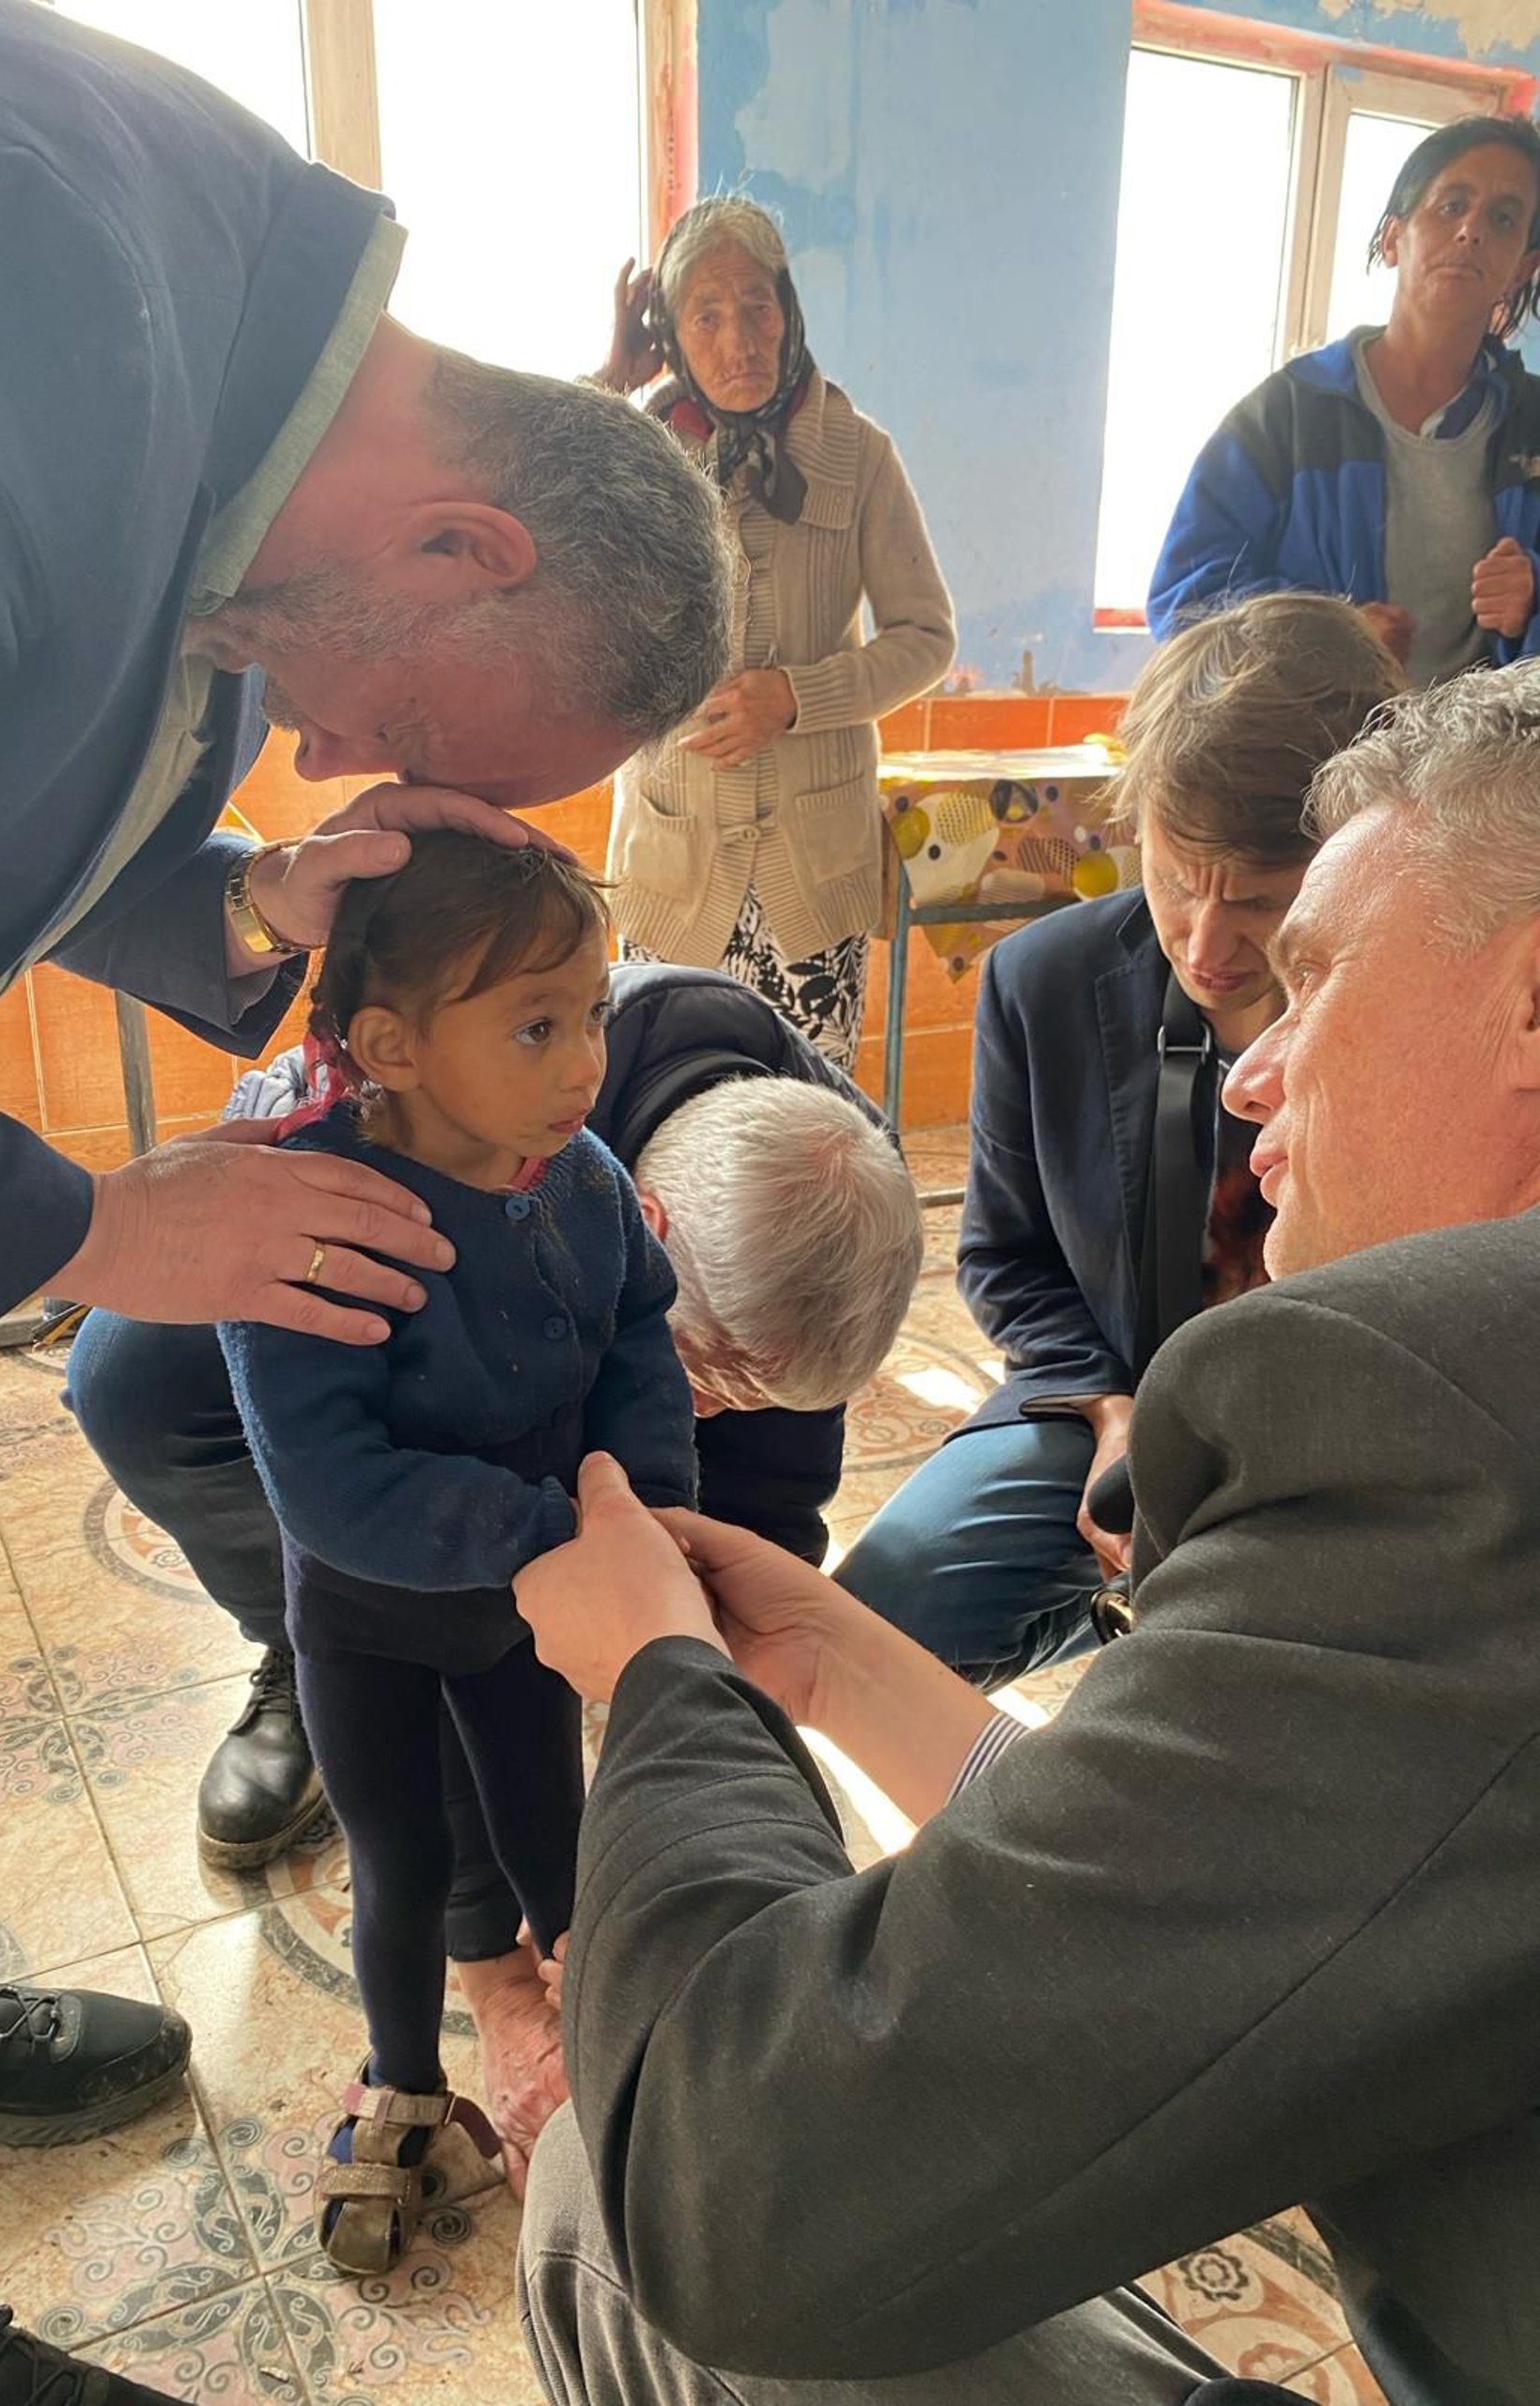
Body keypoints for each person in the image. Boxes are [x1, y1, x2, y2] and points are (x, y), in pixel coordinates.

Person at [0, 3, 731, 2399]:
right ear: (464, 542)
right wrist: (91, 1221)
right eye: (436, 756)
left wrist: (249, 896)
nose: (373, 775)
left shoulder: (245, 426)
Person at [511, 653, 1540, 2402]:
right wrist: (828, 1662)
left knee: (609, 2212)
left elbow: (745, 2189)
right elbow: (1296, 1867)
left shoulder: (1441, 1431)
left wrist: (668, 1685)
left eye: (1311, 974)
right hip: (1083, 1413)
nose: (1253, 1072)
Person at [64, 960, 922, 2185]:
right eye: (713, 1380)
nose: (723, 1414)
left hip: (602, 1314)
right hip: (278, 1348)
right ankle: (297, 1667)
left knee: (571, 1608)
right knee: (415, 1609)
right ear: (651, 1240)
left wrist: (701, 1712)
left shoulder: (831, 1182)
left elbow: (772, 1499)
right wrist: (505, 1979)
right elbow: (423, 1549)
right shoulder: (458, 1124)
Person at [219, 834, 697, 2274]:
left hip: (520, 1618)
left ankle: (606, 2070)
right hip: (368, 1617)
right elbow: (328, 1483)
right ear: (391, 1046)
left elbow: (635, 1338)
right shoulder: (308, 1215)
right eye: (538, 1025)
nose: (583, 1064)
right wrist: (560, 1535)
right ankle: (400, 2090)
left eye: (596, 1014)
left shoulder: (585, 1180)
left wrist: (650, 1502)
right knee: (401, 1864)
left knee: (561, 1843)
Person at [836, 594, 1402, 1685]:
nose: (1207, 943)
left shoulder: (1421, 1004)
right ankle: (1134, 1616)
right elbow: (1006, 1262)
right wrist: (1112, 1412)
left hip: (1345, 1437)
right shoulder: (1039, 981)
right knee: (879, 1623)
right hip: (1119, 1402)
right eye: (1179, 877)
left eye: (1263, 902)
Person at [597, 196, 957, 1068]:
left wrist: (799, 695)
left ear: (789, 309)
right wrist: (610, 386)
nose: (739, 341)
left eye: (757, 305)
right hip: (672, 869)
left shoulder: (859, 453)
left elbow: (927, 636)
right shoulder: (638, 450)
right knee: (665, 1109)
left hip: (811, 876)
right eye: (706, 315)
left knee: (807, 1126)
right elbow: (535, 542)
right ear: (671, 335)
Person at [1151, 114, 1540, 686]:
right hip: (1310, 763)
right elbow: (1183, 602)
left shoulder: (1532, 426)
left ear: (1523, 267)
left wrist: (1534, 597)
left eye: (1503, 219)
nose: (1471, 231)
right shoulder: (1286, 416)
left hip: (1483, 767)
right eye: (1451, 205)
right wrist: (1329, 634)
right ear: (1392, 238)